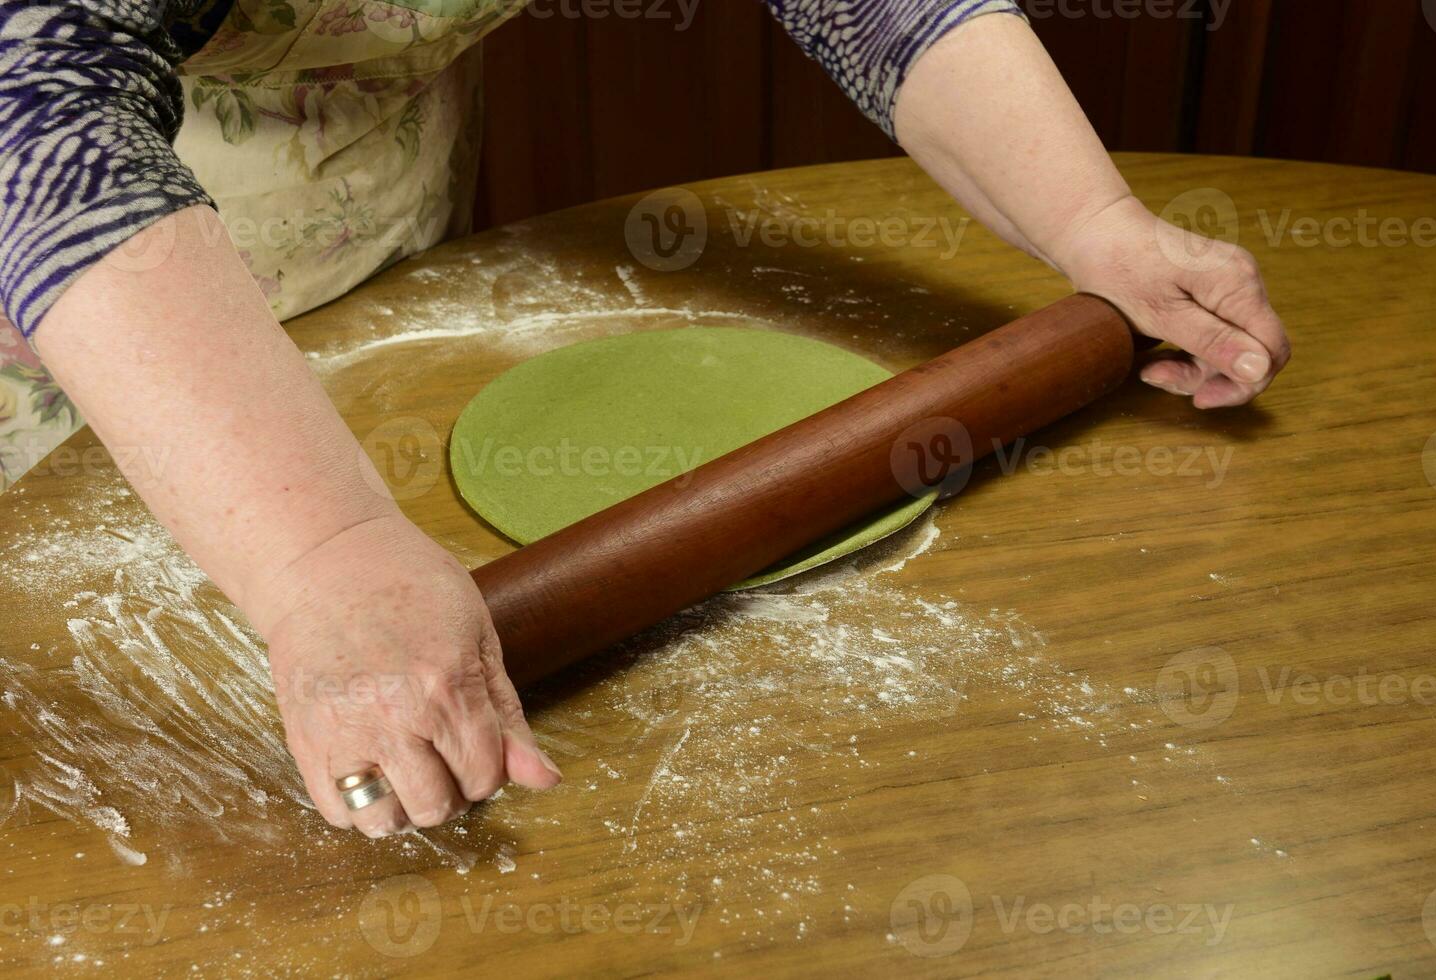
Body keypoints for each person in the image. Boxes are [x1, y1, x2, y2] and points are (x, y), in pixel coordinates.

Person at [0, 0, 1290, 837]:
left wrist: (1093, 224)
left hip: (368, 241)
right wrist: (325, 555)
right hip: (87, 337)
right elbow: (29, 109)